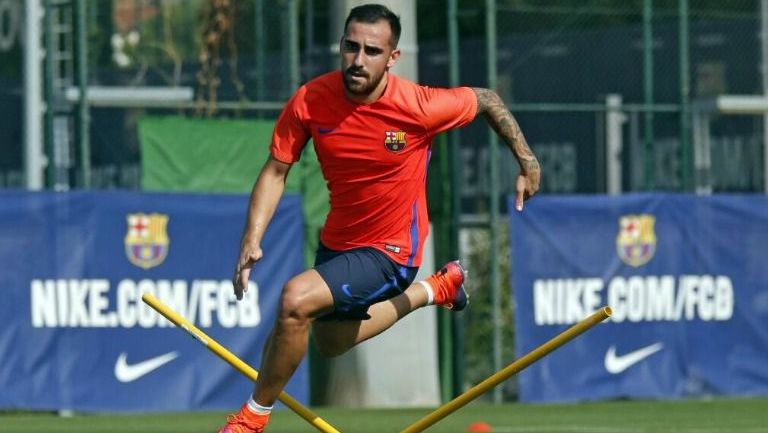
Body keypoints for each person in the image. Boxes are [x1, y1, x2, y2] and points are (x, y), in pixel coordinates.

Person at [217, 4, 540, 433]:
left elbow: (487, 100)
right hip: (339, 243)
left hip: (392, 251)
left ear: (392, 58)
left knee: (295, 300)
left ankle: (251, 420)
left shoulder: (419, 105)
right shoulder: (311, 100)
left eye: (372, 50)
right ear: (341, 46)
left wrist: (528, 162)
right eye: (351, 47)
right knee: (330, 343)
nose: (358, 59)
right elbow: (277, 169)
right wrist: (251, 238)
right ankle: (436, 288)